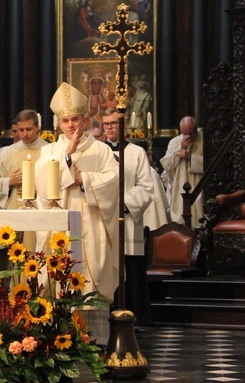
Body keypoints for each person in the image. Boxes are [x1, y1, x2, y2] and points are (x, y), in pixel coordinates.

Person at [36, 82, 119, 307]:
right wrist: (66, 156)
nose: (71, 125)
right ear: (59, 124)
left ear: (85, 120)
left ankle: (94, 336)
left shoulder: (101, 150)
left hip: (91, 222)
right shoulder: (49, 151)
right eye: (66, 120)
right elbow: (42, 185)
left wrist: (85, 179)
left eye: (75, 119)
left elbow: (113, 180)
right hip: (59, 223)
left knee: (92, 275)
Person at [100, 109, 154, 326]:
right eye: (106, 124)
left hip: (128, 221)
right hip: (104, 220)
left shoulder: (137, 152)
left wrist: (122, 204)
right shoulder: (97, 152)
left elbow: (146, 188)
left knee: (130, 271)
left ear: (123, 126)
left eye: (114, 123)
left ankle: (134, 319)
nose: (110, 127)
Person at [0, 109, 48, 211]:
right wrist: (8, 182)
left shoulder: (49, 150)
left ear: (37, 128)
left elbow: (59, 183)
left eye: (29, 129)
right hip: (13, 209)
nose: (25, 134)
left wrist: (39, 190)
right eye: (21, 130)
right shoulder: (8, 152)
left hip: (40, 210)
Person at [160, 116, 203, 227]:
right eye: (185, 134)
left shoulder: (204, 140)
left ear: (196, 129)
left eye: (191, 133)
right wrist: (181, 149)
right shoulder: (174, 142)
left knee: (198, 218)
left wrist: (190, 157)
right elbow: (167, 166)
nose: (187, 137)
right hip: (179, 187)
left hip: (198, 186)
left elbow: (208, 165)